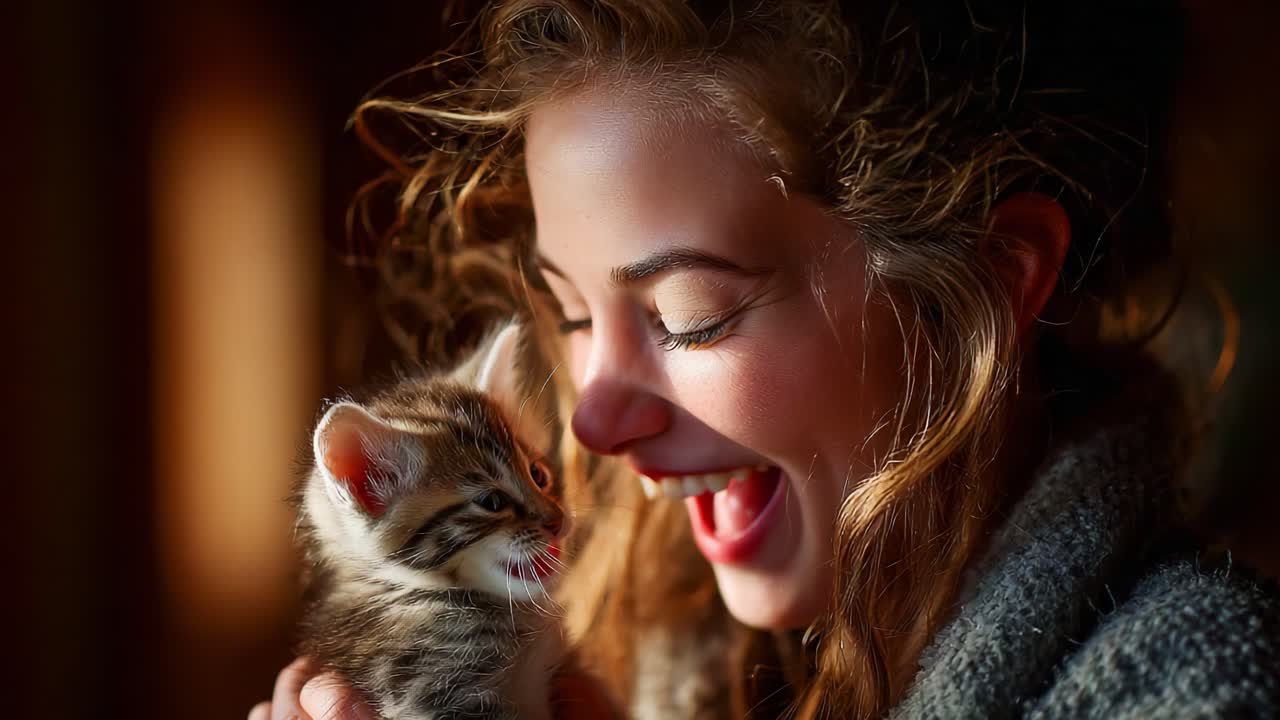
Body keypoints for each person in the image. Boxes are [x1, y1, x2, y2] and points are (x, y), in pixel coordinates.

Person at [251, 1, 1280, 718]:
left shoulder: (1189, 685)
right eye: (567, 313)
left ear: (995, 275)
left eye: (690, 314)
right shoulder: (620, 667)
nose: (591, 425)